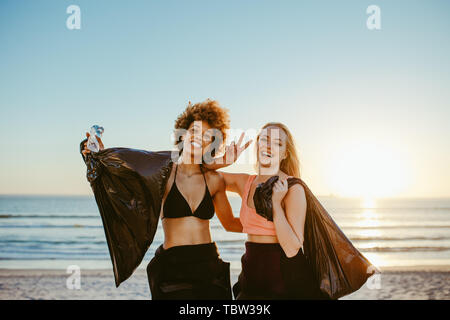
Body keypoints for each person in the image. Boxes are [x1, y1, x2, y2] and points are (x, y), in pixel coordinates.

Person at [82, 99, 247, 299]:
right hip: (173, 269)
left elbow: (231, 224)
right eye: (194, 131)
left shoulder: (214, 180)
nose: (198, 137)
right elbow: (125, 168)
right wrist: (100, 155)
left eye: (206, 135)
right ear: (183, 134)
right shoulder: (162, 173)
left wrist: (269, 228)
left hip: (209, 267)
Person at [204, 122, 329, 299]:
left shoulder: (292, 187)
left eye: (277, 143)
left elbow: (293, 248)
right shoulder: (245, 182)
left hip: (284, 280)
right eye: (265, 139)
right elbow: (203, 174)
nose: (269, 146)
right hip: (251, 275)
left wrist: (276, 205)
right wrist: (225, 161)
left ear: (285, 153)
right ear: (257, 145)